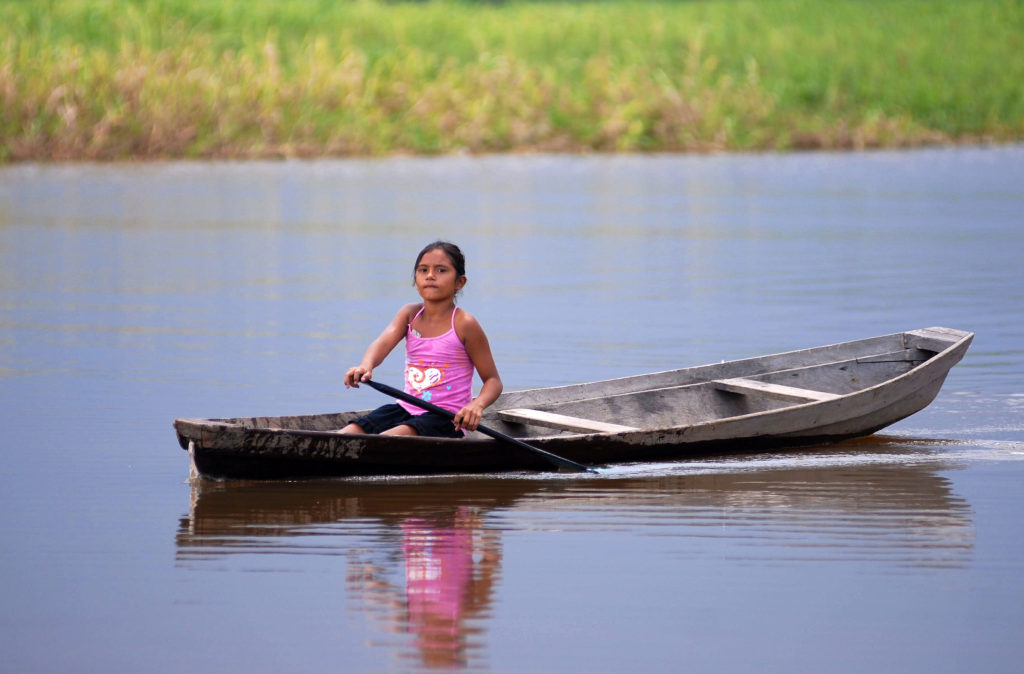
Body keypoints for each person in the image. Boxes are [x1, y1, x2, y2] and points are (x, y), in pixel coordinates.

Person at [341, 241, 502, 437]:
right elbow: (382, 343)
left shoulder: (464, 323)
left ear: (459, 282)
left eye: (441, 270)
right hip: (405, 408)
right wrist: (365, 366)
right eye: (423, 270)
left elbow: (493, 381)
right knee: (348, 433)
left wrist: (476, 406)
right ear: (415, 278)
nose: (430, 275)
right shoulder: (410, 314)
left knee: (386, 440)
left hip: (447, 419)